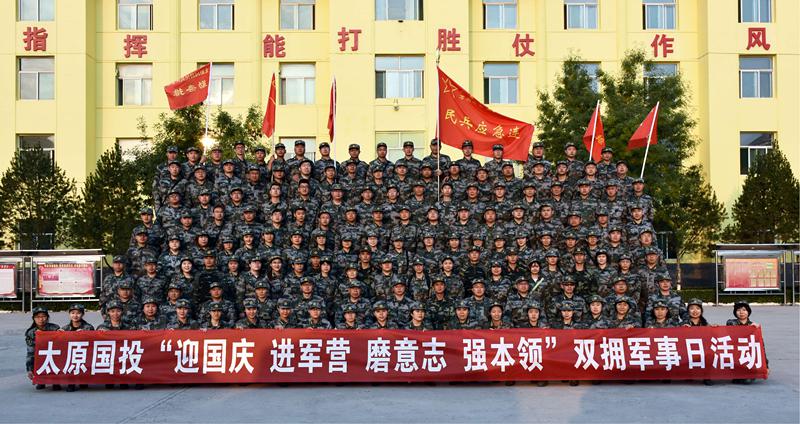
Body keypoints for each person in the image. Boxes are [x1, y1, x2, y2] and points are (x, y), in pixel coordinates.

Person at [26, 307, 61, 391]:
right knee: (37, 359)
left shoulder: (55, 328)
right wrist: (29, 369)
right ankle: (41, 380)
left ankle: (56, 381)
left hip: (54, 354)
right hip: (40, 356)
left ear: (47, 317)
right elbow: (30, 352)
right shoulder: (31, 332)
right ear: (34, 318)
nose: (41, 319)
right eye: (38, 317)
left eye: (43, 316)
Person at [726, 300, 760, 385]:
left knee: (747, 380)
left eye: (744, 310)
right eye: (738, 310)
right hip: (736, 355)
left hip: (748, 357)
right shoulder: (731, 323)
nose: (741, 312)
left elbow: (760, 347)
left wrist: (766, 365)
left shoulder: (753, 326)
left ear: (748, 312)